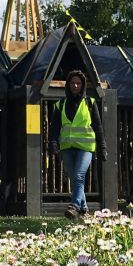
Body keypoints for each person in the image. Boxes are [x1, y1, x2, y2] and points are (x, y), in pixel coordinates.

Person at [46, 69, 107, 219]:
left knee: (79, 175)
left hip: (85, 147)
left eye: (78, 83)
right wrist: (52, 143)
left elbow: (98, 127)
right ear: (68, 85)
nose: (75, 86)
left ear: (82, 85)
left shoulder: (90, 103)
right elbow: (54, 127)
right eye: (72, 83)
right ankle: (84, 208)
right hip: (67, 147)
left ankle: (74, 206)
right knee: (74, 179)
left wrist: (103, 147)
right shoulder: (60, 105)